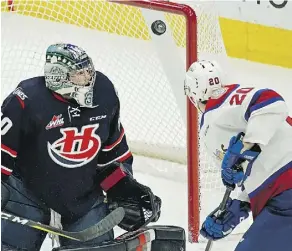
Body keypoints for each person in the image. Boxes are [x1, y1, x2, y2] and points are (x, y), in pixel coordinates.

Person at [1, 43, 162, 251]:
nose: (88, 78)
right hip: (26, 198)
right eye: (79, 74)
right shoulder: (26, 100)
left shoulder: (104, 93)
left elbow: (111, 155)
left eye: (88, 71)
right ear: (57, 76)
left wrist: (123, 186)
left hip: (84, 202)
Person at [184, 60, 292, 251]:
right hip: (280, 196)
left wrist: (247, 147)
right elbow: (257, 170)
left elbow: (272, 102)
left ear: (193, 95)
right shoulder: (229, 109)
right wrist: (238, 208)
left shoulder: (221, 110)